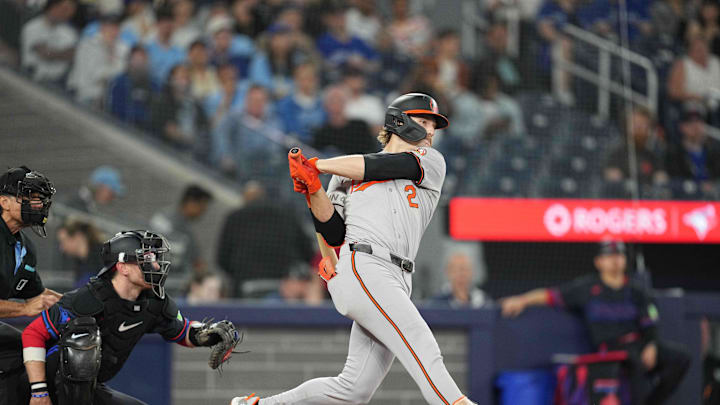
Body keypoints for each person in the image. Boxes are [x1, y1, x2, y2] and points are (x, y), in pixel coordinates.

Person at [231, 93, 476, 405]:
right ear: (399, 120)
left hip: (398, 277)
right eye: (424, 121)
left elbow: (380, 165)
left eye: (433, 125)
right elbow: (333, 230)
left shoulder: (430, 161)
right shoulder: (344, 175)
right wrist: (314, 189)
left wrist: (316, 164)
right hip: (364, 265)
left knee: (353, 390)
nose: (430, 130)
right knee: (422, 345)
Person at [22, 230, 240, 405]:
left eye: (154, 259)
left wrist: (207, 335)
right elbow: (33, 333)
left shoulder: (154, 301)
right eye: (146, 260)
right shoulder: (87, 299)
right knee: (81, 342)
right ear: (122, 267)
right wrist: (39, 391)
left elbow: (181, 331)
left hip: (89, 391)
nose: (155, 265)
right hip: (47, 386)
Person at [501, 240, 691, 405]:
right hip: (610, 351)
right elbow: (550, 295)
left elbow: (650, 321)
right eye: (609, 255)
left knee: (681, 358)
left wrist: (651, 345)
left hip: (639, 347)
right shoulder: (587, 288)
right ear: (598, 261)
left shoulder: (637, 291)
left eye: (619, 255)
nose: (615, 260)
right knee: (632, 371)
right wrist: (522, 300)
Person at [0, 167, 62, 405]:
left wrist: (75, 305)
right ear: (4, 202)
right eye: (29, 197)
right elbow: (30, 305)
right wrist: (24, 309)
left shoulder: (24, 247)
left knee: (31, 352)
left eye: (40, 199)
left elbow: (38, 295)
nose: (37, 204)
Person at [217, 181, 314, 298]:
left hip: (244, 285)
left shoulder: (234, 218)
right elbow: (308, 252)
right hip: (285, 287)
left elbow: (222, 258)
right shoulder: (287, 215)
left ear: (245, 198)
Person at [149, 185, 213, 282]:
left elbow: (198, 261)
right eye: (202, 207)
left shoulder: (165, 215)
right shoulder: (175, 224)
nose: (202, 212)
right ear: (191, 202)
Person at [20, 0, 78, 85]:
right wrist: (64, 54)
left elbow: (74, 55)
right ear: (54, 7)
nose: (67, 14)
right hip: (29, 78)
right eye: (65, 9)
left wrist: (54, 53)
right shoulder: (33, 26)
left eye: (71, 12)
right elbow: (44, 54)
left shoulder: (70, 33)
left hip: (55, 84)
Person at [55, 219, 105, 288]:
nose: (62, 248)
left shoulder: (104, 258)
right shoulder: (80, 263)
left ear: (78, 236)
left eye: (64, 241)